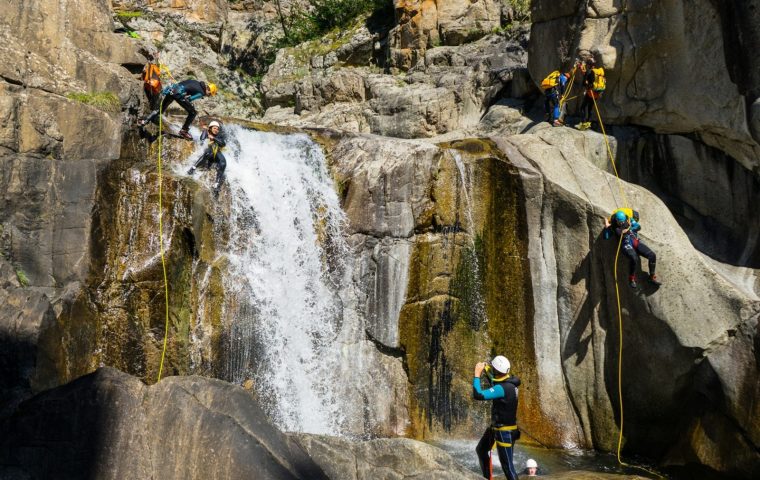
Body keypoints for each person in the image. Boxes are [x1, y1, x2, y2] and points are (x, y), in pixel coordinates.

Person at [473, 355, 521, 480]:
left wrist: (477, 374)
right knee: (481, 450)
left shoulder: (502, 388)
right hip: (497, 428)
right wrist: (486, 367)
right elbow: (494, 378)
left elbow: (478, 394)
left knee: (507, 467)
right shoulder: (510, 381)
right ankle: (487, 477)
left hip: (504, 432)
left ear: (497, 371)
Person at [140, 79, 218, 140]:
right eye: (210, 94)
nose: (208, 95)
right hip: (178, 94)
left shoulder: (195, 82)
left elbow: (185, 85)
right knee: (193, 113)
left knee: (160, 110)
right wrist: (188, 100)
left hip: (172, 90)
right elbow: (190, 99)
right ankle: (184, 131)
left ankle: (144, 121)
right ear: (209, 90)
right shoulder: (201, 92)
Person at [604, 209, 660, 288]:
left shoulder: (628, 219)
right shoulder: (613, 226)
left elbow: (638, 226)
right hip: (626, 244)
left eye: (623, 221)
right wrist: (606, 227)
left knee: (652, 255)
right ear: (616, 220)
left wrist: (628, 229)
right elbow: (606, 237)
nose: (622, 223)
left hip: (635, 242)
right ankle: (631, 278)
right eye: (620, 222)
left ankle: (652, 276)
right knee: (634, 258)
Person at [187, 120, 227, 196]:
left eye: (217, 129)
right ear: (211, 128)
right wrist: (205, 130)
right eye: (214, 128)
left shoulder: (219, 135)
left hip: (216, 153)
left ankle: (216, 184)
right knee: (209, 152)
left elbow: (223, 144)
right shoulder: (206, 132)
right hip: (208, 152)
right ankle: (193, 168)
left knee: (223, 162)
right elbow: (202, 140)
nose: (216, 130)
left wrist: (213, 138)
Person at [577, 56, 604, 130]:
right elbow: (588, 76)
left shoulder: (589, 71)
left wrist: (586, 85)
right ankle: (588, 123)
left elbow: (584, 83)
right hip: (597, 93)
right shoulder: (597, 71)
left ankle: (583, 124)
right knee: (590, 108)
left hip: (590, 93)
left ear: (588, 65)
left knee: (582, 108)